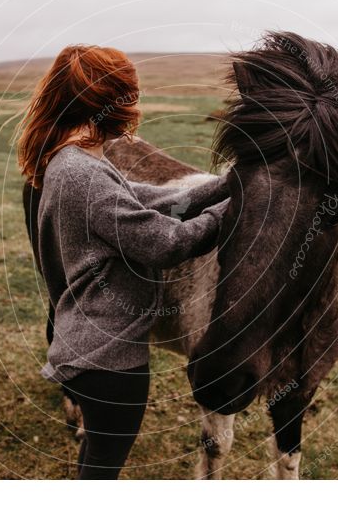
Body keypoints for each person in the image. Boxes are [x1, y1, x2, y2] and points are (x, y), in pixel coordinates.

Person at [16, 44, 230, 479]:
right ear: (111, 102)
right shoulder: (84, 174)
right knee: (102, 470)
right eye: (130, 93)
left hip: (89, 346)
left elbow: (150, 199)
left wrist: (230, 185)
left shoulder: (71, 160)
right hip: (109, 360)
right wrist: (229, 212)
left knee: (96, 456)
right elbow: (166, 243)